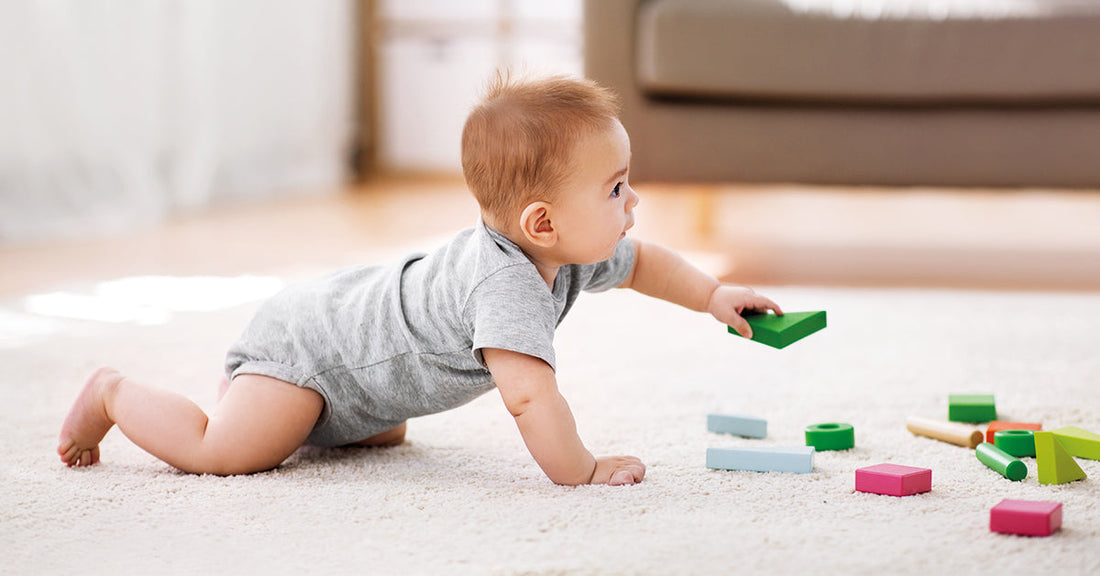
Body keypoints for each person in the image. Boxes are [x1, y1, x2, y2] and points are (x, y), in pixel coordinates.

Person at [57, 71, 782, 486]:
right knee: (230, 454)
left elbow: (647, 263)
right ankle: (114, 393)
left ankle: (334, 417)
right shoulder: (505, 288)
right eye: (616, 189)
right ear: (542, 225)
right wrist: (583, 471)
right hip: (308, 353)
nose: (634, 204)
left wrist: (713, 296)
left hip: (353, 359)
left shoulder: (572, 249)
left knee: (383, 432)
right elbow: (531, 400)